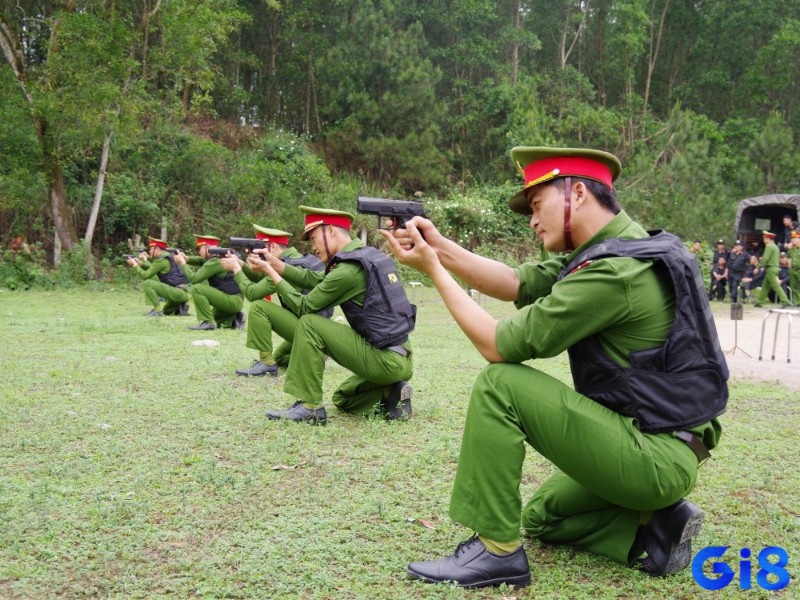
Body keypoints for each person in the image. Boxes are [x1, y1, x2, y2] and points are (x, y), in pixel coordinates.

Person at [382, 146, 728, 588]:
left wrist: (434, 271)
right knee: (543, 516)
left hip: (654, 455)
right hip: (664, 447)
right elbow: (514, 283)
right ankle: (653, 526)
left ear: (578, 193)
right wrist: (439, 246)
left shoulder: (614, 273)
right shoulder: (622, 245)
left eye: (537, 203)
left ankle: (496, 553)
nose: (531, 218)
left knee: (500, 383)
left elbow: (496, 345)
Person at [256, 206, 415, 425]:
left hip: (385, 360)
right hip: (403, 357)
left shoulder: (348, 270)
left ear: (331, 231)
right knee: (343, 398)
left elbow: (305, 307)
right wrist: (278, 265)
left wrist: (271, 273)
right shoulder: (367, 257)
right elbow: (316, 280)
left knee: (310, 323)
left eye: (313, 239)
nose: (313, 247)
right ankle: (391, 392)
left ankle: (309, 406)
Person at [219, 225, 331, 377]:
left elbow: (253, 293)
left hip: (310, 330)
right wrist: (240, 264)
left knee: (259, 306)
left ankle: (266, 363)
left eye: (256, 250)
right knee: (280, 359)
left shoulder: (287, 265)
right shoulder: (301, 259)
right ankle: (316, 355)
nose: (252, 254)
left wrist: (236, 270)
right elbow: (262, 279)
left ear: (270, 247)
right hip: (320, 330)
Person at [174, 235, 245, 330]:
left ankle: (208, 323)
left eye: (199, 248)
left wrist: (182, 263)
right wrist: (187, 259)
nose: (198, 252)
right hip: (235, 300)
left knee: (197, 288)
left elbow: (194, 278)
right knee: (214, 318)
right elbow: (201, 260)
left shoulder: (215, 261)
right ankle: (235, 317)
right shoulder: (220, 257)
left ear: (207, 246)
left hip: (232, 301)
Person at [126, 237, 190, 317]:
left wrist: (134, 265)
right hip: (182, 292)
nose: (149, 251)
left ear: (157, 249)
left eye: (151, 249)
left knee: (148, 283)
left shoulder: (162, 260)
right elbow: (154, 268)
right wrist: (141, 264)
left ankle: (157, 310)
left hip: (176, 292)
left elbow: (145, 275)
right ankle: (181, 306)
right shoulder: (168, 257)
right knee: (166, 311)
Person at [755, 231, 792, 308]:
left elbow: (765, 259)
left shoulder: (769, 247)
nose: (764, 240)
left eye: (765, 238)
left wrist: (758, 267)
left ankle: (785, 301)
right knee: (765, 286)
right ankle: (760, 302)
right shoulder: (775, 247)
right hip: (775, 268)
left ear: (768, 239)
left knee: (776, 286)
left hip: (770, 268)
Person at [787, 231, 800, 303]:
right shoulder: (791, 249)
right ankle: (797, 302)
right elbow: (789, 258)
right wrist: (790, 268)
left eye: (795, 238)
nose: (793, 240)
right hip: (793, 270)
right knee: (794, 287)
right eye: (792, 238)